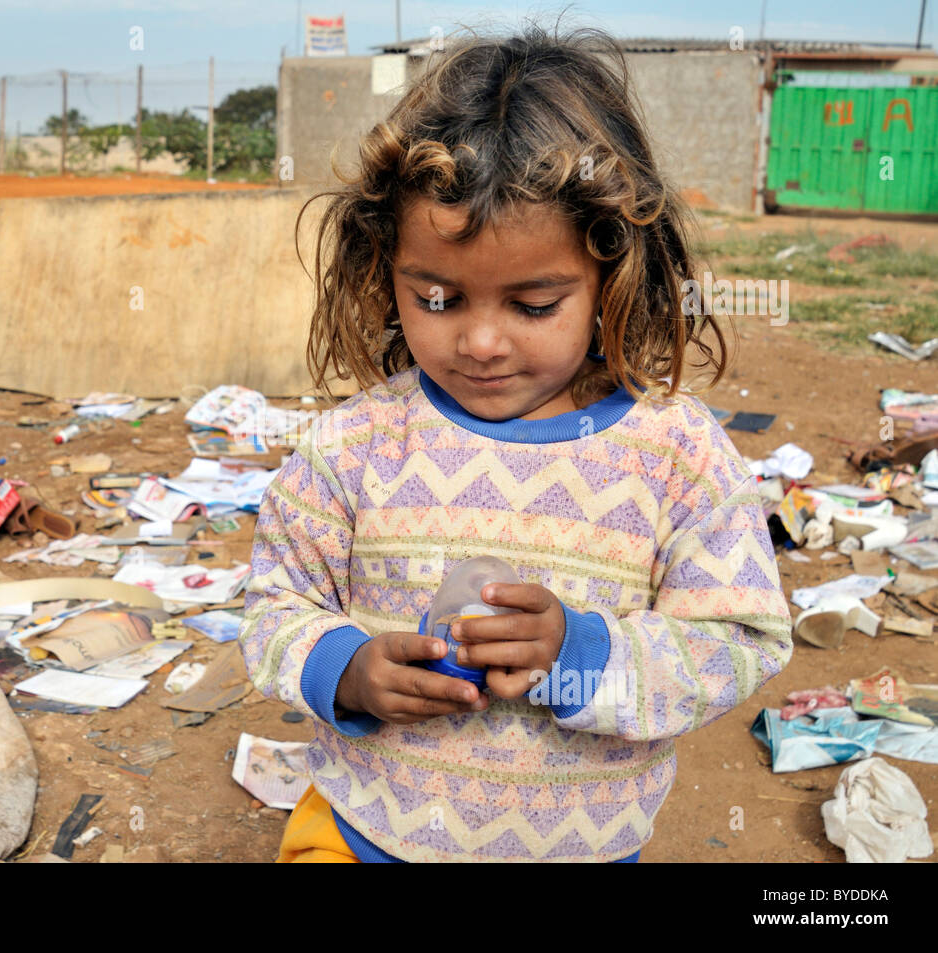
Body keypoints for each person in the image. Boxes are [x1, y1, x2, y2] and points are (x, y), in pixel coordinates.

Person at [238, 25, 793, 863]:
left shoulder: (675, 452)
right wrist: (344, 669)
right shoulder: (353, 447)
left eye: (534, 305)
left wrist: (579, 653)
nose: (482, 342)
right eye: (438, 297)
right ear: (386, 267)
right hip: (365, 833)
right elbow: (275, 604)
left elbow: (740, 641)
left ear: (617, 271)